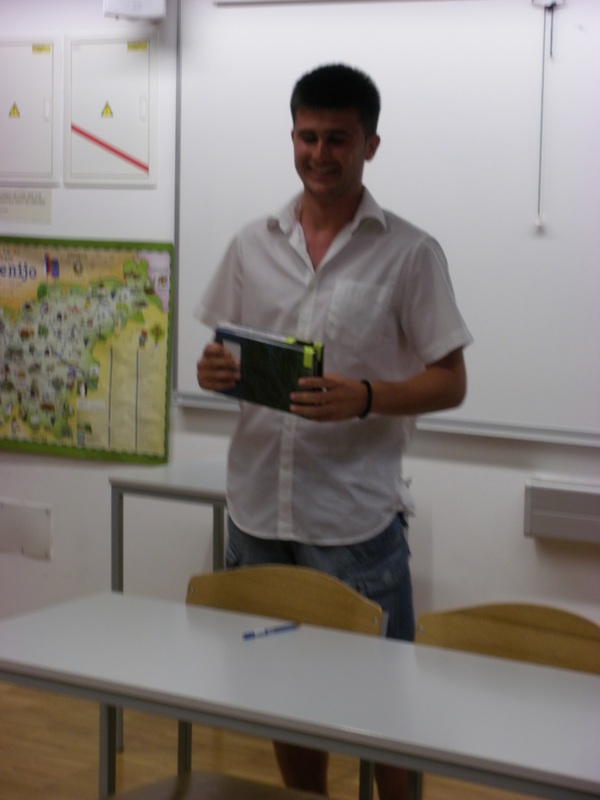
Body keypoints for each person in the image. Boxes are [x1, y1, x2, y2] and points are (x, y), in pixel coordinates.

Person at [195, 63, 472, 800]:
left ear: (370, 145)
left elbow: (451, 380)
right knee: (284, 695)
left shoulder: (410, 252)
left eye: (338, 139)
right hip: (257, 511)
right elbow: (222, 354)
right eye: (308, 136)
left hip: (351, 519)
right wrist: (213, 372)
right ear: (292, 137)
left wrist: (368, 397)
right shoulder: (252, 243)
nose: (320, 154)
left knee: (386, 705)